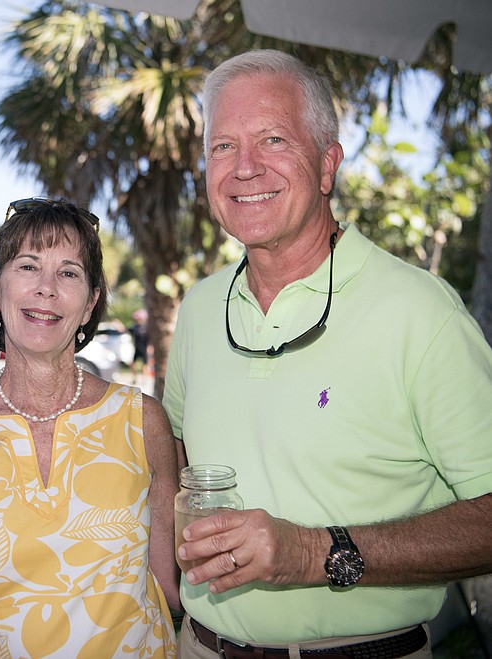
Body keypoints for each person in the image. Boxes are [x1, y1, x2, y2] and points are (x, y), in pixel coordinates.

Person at [163, 49, 492, 659]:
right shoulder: (201, 310)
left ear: (326, 165)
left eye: (273, 139)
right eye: (222, 147)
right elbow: (180, 452)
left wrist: (315, 552)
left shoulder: (422, 313)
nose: (245, 169)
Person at [0, 198, 180, 658]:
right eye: (27, 266)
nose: (46, 289)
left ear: (91, 302)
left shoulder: (142, 419)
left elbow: (171, 587)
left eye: (69, 273)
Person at [129, 307, 151, 380]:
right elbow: (128, 330)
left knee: (145, 365)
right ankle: (134, 378)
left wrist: (150, 347)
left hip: (144, 348)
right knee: (132, 363)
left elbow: (150, 338)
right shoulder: (135, 327)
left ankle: (144, 379)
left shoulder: (147, 328)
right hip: (137, 348)